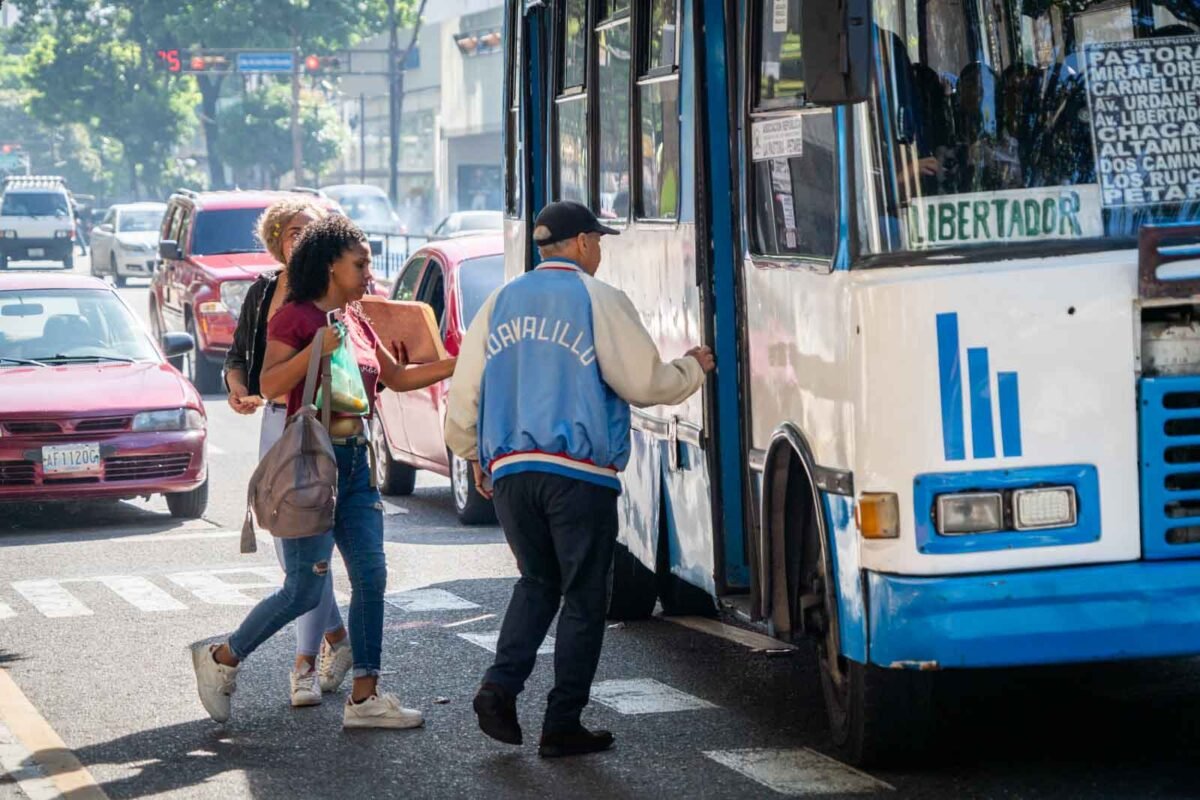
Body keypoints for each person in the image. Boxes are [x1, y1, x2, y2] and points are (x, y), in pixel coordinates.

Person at [445, 200, 716, 757]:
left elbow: (464, 397)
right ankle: (561, 722)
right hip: (579, 475)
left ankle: (498, 689)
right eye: (599, 241)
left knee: (537, 584)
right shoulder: (599, 299)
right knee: (584, 598)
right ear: (585, 243)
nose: (600, 251)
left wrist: (474, 454)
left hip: (513, 475)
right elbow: (644, 383)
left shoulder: (498, 303)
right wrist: (692, 367)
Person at [191, 215, 457, 729]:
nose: (368, 273)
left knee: (372, 577)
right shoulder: (294, 318)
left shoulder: (353, 318)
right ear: (331, 266)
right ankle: (222, 658)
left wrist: (463, 362)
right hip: (312, 466)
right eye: (359, 264)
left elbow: (397, 377)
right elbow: (269, 384)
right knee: (304, 589)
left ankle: (365, 697)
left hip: (357, 462)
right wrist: (316, 349)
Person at [223, 197, 353, 708]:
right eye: (290, 231)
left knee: (306, 549)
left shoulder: (331, 293)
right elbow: (240, 356)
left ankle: (304, 665)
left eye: (308, 231)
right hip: (274, 420)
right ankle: (338, 641)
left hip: (317, 425)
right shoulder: (261, 292)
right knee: (291, 548)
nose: (297, 238)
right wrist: (237, 386)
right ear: (276, 238)